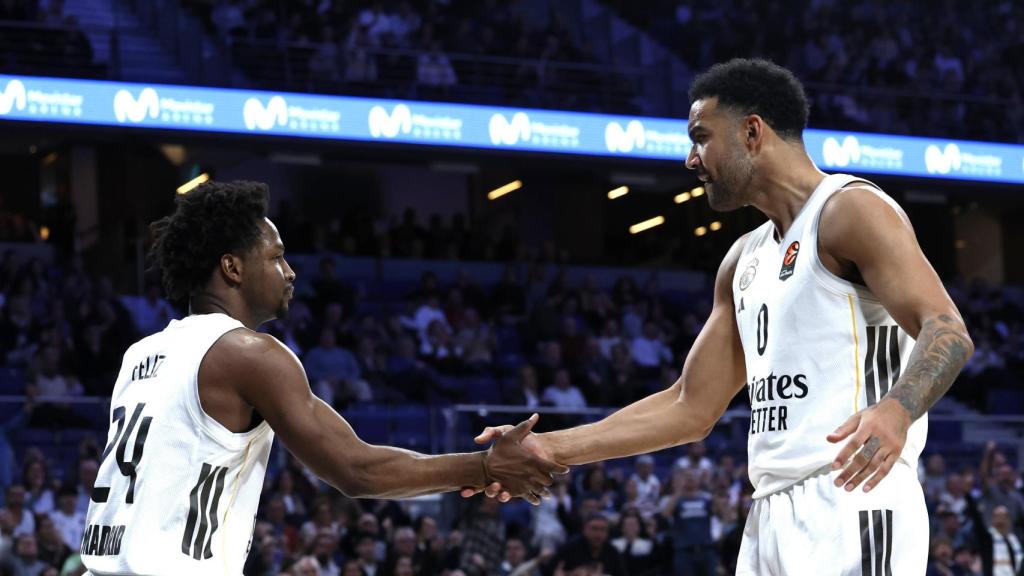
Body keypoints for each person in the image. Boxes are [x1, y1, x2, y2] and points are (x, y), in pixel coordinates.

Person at [466, 58, 974, 574]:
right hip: (770, 514)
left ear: (752, 131)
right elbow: (689, 406)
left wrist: (897, 409)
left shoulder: (851, 211)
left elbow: (947, 329)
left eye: (700, 137)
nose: (691, 159)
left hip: (852, 498)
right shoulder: (742, 260)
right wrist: (547, 447)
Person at [80, 181, 566, 575]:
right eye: (275, 257)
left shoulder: (140, 353)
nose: (290, 272)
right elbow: (357, 470)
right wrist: (484, 468)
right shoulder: (249, 354)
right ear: (232, 267)